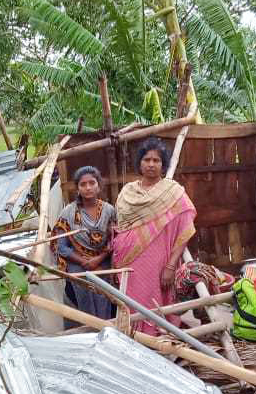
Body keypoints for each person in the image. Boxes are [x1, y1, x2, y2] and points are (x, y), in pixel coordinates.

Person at [113, 138, 197, 335]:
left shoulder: (173, 193)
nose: (151, 164)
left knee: (153, 300)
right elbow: (122, 225)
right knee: (132, 302)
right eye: (146, 160)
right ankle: (134, 337)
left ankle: (156, 337)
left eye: (156, 160)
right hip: (129, 260)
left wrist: (170, 265)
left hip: (158, 262)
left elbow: (185, 231)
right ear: (139, 163)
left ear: (163, 164)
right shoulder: (127, 192)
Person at [50, 165, 117, 320]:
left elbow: (113, 242)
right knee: (84, 299)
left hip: (103, 262)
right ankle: (89, 332)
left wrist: (97, 260)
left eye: (92, 183)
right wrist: (84, 261)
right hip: (77, 264)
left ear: (99, 186)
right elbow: (62, 248)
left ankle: (107, 330)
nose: (88, 188)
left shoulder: (109, 210)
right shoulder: (68, 213)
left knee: (104, 298)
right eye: (83, 184)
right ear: (77, 189)